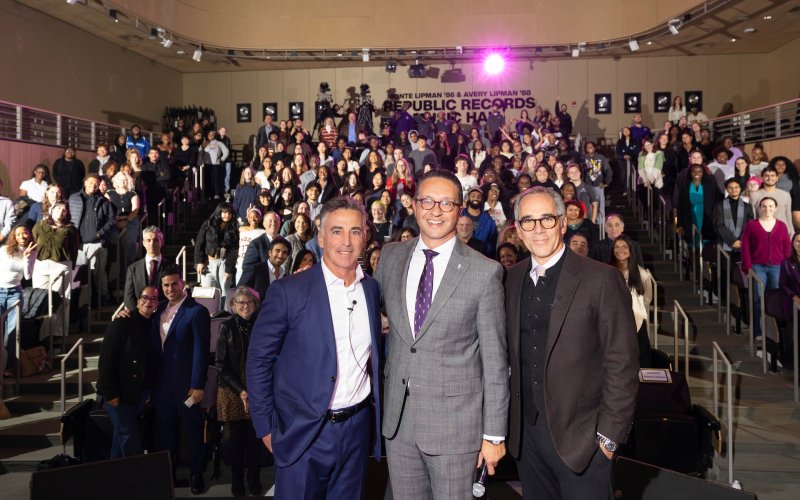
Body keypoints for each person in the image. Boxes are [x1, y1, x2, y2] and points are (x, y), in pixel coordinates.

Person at [374, 170, 508, 499]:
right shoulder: (390, 257)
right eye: (428, 201)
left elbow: (494, 360)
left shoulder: (484, 270)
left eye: (446, 203)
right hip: (398, 422)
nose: (436, 210)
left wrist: (494, 435)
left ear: (461, 208)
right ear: (415, 206)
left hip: (455, 428)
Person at [505, 186, 639, 499]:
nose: (538, 229)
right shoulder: (509, 278)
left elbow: (622, 362)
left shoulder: (601, 278)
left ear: (563, 224)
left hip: (584, 440)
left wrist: (608, 439)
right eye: (528, 221)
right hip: (526, 439)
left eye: (547, 220)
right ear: (519, 231)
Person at [246, 197, 382, 499]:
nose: (346, 241)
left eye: (355, 231)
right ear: (320, 237)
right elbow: (258, 361)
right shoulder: (288, 291)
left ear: (365, 236)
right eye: (337, 231)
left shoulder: (371, 290)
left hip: (357, 431)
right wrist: (266, 428)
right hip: (302, 432)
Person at [151, 266, 211, 494]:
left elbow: (200, 351)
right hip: (163, 385)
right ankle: (169, 473)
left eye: (173, 284)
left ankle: (197, 474)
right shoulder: (159, 311)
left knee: (193, 429)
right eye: (165, 285)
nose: (169, 289)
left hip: (188, 387)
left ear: (182, 283)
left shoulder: (196, 311)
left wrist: (197, 385)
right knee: (165, 431)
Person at [215, 287, 270, 497]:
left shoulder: (262, 326)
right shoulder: (226, 327)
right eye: (240, 303)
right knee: (234, 440)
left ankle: (254, 479)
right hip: (231, 390)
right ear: (233, 306)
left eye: (249, 303)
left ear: (255, 305)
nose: (245, 306)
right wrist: (241, 391)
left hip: (258, 389)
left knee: (256, 437)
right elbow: (221, 365)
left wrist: (254, 390)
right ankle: (237, 479)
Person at [97, 286, 158, 458]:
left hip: (139, 391)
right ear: (138, 301)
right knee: (128, 435)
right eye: (145, 297)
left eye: (153, 299)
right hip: (119, 392)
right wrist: (110, 393)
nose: (149, 301)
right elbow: (106, 360)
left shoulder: (154, 323)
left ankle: (114, 476)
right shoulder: (121, 323)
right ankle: (136, 476)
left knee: (121, 435)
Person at [741, 197, 792, 343]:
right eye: (764, 206)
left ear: (776, 208)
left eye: (770, 206)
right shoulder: (751, 225)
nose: (767, 209)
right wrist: (747, 267)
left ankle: (773, 332)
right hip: (758, 267)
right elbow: (745, 247)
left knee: (774, 299)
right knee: (757, 299)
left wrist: (787, 269)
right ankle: (757, 330)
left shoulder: (782, 226)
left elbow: (786, 249)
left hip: (777, 267)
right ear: (759, 208)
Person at [32, 201, 80, 340]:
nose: (61, 211)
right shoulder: (40, 226)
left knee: (59, 300)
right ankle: (41, 336)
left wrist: (70, 267)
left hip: (61, 265)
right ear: (51, 210)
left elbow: (74, 249)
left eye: (64, 210)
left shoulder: (70, 229)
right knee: (40, 299)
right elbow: (33, 242)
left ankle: (57, 335)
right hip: (41, 265)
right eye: (58, 208)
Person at [69, 174, 116, 306]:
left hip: (97, 243)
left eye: (96, 183)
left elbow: (112, 221)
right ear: (85, 183)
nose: (93, 185)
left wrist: (99, 234)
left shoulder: (104, 201)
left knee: (98, 275)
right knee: (80, 276)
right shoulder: (74, 198)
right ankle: (81, 306)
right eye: (90, 182)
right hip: (79, 244)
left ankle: (101, 300)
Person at [610, 234, 654, 368]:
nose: (620, 250)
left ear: (630, 250)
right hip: (613, 324)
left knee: (641, 361)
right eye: (616, 247)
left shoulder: (642, 274)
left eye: (624, 247)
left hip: (637, 322)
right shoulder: (606, 272)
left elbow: (647, 299)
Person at [0, 226, 36, 376]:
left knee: (13, 332)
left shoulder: (31, 252)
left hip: (15, 292)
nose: (22, 236)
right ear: (14, 237)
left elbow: (27, 276)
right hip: (0, 291)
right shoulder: (4, 250)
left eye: (25, 233)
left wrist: (27, 258)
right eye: (19, 234)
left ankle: (9, 367)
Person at [194, 202, 239, 299]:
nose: (227, 215)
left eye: (229, 213)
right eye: (224, 212)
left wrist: (229, 269)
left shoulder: (233, 228)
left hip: (224, 262)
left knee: (225, 291)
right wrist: (199, 261)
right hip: (208, 263)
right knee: (208, 291)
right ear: (219, 212)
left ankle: (223, 313)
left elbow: (234, 250)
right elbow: (199, 243)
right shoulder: (208, 224)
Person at [123, 226, 166, 312]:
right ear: (143, 243)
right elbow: (128, 297)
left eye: (156, 240)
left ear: (162, 242)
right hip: (139, 318)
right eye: (148, 240)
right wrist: (139, 315)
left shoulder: (172, 267)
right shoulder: (133, 268)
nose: (152, 243)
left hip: (164, 317)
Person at [238, 235, 290, 301]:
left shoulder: (285, 276)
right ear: (270, 253)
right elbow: (239, 291)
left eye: (284, 253)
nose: (280, 255)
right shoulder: (255, 270)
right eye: (277, 251)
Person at [462, 186, 499, 257]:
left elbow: (493, 242)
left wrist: (483, 248)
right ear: (468, 198)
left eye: (479, 196)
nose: (476, 198)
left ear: (482, 199)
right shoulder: (459, 215)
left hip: (481, 257)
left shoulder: (489, 220)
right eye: (473, 196)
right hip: (461, 255)